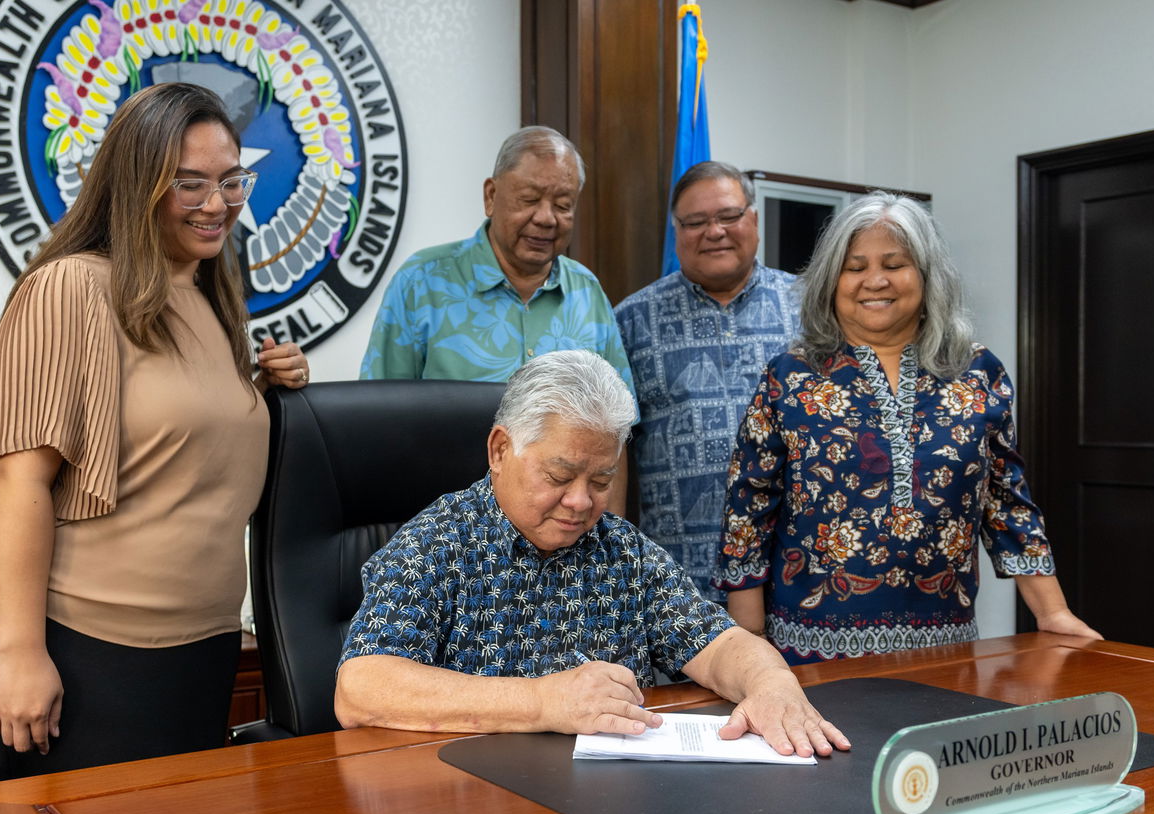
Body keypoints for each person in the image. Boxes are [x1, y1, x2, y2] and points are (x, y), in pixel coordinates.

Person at [0, 82, 310, 781]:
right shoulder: (70, 288)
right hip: (81, 646)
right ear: (137, 182)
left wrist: (263, 392)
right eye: (190, 184)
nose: (218, 204)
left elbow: (179, 448)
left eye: (231, 180)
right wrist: (22, 654)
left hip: (200, 648)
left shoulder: (208, 296)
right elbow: (20, 482)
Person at [335, 350, 849, 758]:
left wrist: (772, 683)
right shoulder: (437, 544)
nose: (581, 502)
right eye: (559, 477)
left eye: (601, 480)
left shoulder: (622, 551)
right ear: (499, 451)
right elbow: (362, 688)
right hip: (476, 811)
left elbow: (719, 646)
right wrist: (542, 701)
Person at [715, 192, 1100, 665]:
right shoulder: (790, 376)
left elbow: (1005, 501)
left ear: (927, 275)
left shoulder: (977, 371)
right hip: (809, 647)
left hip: (946, 646)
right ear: (831, 281)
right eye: (854, 267)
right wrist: (749, 639)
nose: (874, 281)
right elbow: (748, 503)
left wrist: (1053, 612)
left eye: (894, 264)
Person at [615, 161, 798, 604]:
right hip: (677, 587)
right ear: (676, 232)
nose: (713, 231)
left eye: (729, 216)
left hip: (797, 573)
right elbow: (611, 453)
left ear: (752, 219)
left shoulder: (810, 310)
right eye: (695, 222)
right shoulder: (632, 321)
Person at [358, 126, 635, 399]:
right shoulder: (421, 283)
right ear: (491, 196)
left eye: (563, 205)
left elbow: (618, 420)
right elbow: (377, 410)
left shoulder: (586, 292)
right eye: (529, 199)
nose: (546, 218)